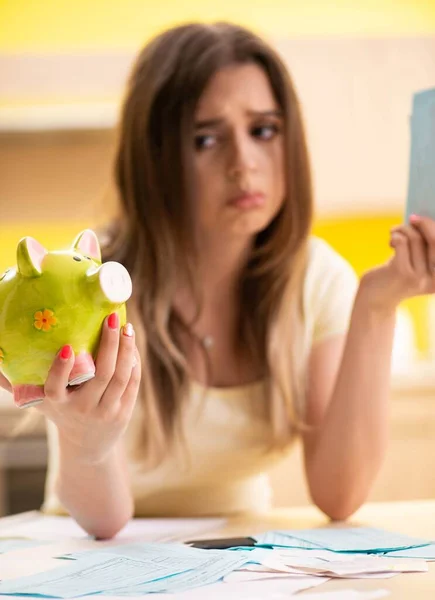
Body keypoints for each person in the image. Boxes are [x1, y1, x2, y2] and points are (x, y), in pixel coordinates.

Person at [1, 22, 435, 540]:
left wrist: (377, 306)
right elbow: (105, 522)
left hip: (233, 559)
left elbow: (339, 495)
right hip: (87, 553)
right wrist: (83, 439)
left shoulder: (317, 279)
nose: (244, 164)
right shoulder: (97, 285)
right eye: (206, 139)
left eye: (264, 130)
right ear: (156, 158)